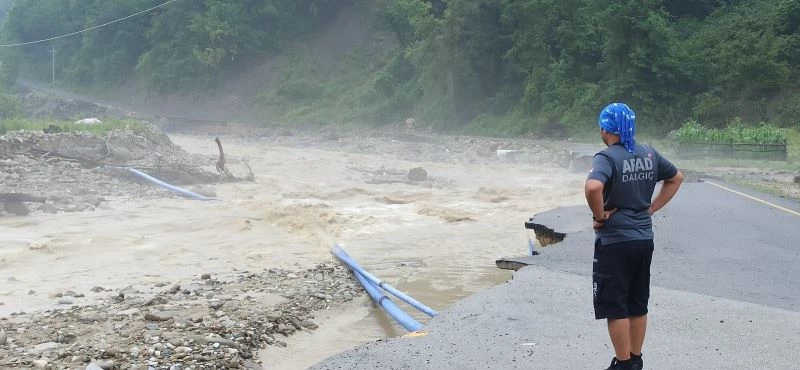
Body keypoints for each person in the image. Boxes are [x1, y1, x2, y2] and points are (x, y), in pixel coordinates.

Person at [585, 103, 684, 370]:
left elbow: (593, 187)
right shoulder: (648, 153)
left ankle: (623, 363)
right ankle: (635, 359)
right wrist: (651, 208)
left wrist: (599, 217)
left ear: (605, 129)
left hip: (615, 242)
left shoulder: (606, 157)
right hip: (643, 239)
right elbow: (676, 178)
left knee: (615, 306)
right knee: (637, 303)